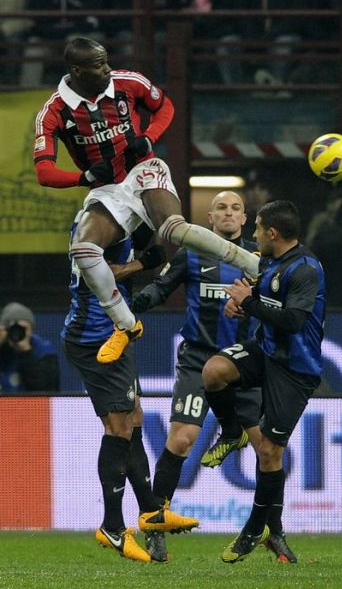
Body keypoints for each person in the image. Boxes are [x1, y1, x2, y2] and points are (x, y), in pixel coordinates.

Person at [33, 36, 259, 366]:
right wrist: (83, 178)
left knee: (172, 230)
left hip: (143, 170)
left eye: (106, 60)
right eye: (98, 65)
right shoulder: (53, 112)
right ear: (77, 70)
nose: (107, 68)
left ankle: (254, 265)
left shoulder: (128, 82)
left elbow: (164, 106)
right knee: (83, 250)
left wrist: (149, 137)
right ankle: (126, 325)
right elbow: (44, 172)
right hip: (108, 190)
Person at [131, 191, 297, 563]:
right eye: (221, 207)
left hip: (243, 364)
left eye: (236, 208)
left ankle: (276, 532)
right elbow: (162, 285)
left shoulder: (259, 258)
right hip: (198, 360)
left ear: (244, 219)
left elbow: (284, 301)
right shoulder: (193, 254)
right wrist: (141, 301)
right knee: (182, 440)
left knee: (268, 451)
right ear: (210, 218)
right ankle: (155, 526)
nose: (228, 213)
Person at [62, 211, 199, 563]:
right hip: (96, 334)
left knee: (133, 417)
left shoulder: (112, 219)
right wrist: (141, 264)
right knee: (119, 426)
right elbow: (95, 275)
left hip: (112, 333)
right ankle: (112, 525)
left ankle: (151, 510)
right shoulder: (99, 220)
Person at [201, 200, 325, 563]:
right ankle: (231, 431)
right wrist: (241, 302)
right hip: (266, 351)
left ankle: (257, 529)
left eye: (256, 227)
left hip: (295, 368)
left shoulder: (306, 269)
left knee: (270, 452)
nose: (253, 234)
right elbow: (262, 297)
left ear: (273, 233)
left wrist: (250, 302)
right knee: (214, 372)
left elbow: (293, 321)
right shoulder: (270, 261)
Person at [0, 301, 59, 393]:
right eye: (13, 329)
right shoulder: (3, 347)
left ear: (32, 330)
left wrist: (26, 352)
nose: (18, 333)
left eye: (23, 329)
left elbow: (46, 389)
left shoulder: (44, 351)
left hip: (33, 405)